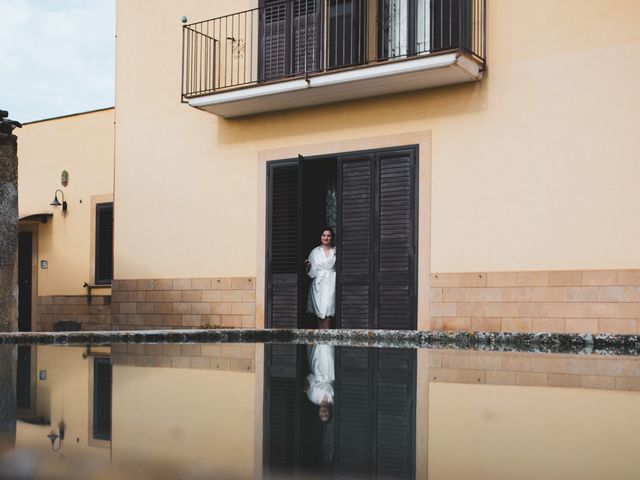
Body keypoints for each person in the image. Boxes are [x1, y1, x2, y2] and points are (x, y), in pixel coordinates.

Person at [305, 227, 336, 329]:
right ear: (320, 237)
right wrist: (309, 266)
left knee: (328, 308)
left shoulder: (335, 251)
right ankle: (320, 337)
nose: (326, 237)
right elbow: (312, 273)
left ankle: (326, 334)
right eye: (324, 235)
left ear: (332, 237)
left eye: (328, 235)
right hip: (318, 283)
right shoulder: (314, 252)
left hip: (331, 282)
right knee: (319, 311)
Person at [304, 344, 334, 422]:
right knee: (329, 348)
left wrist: (307, 384)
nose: (324, 413)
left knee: (319, 347)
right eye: (326, 415)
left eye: (321, 415)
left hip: (318, 368)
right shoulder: (333, 398)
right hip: (330, 369)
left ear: (318, 413)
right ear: (330, 412)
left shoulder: (312, 397)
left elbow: (311, 378)